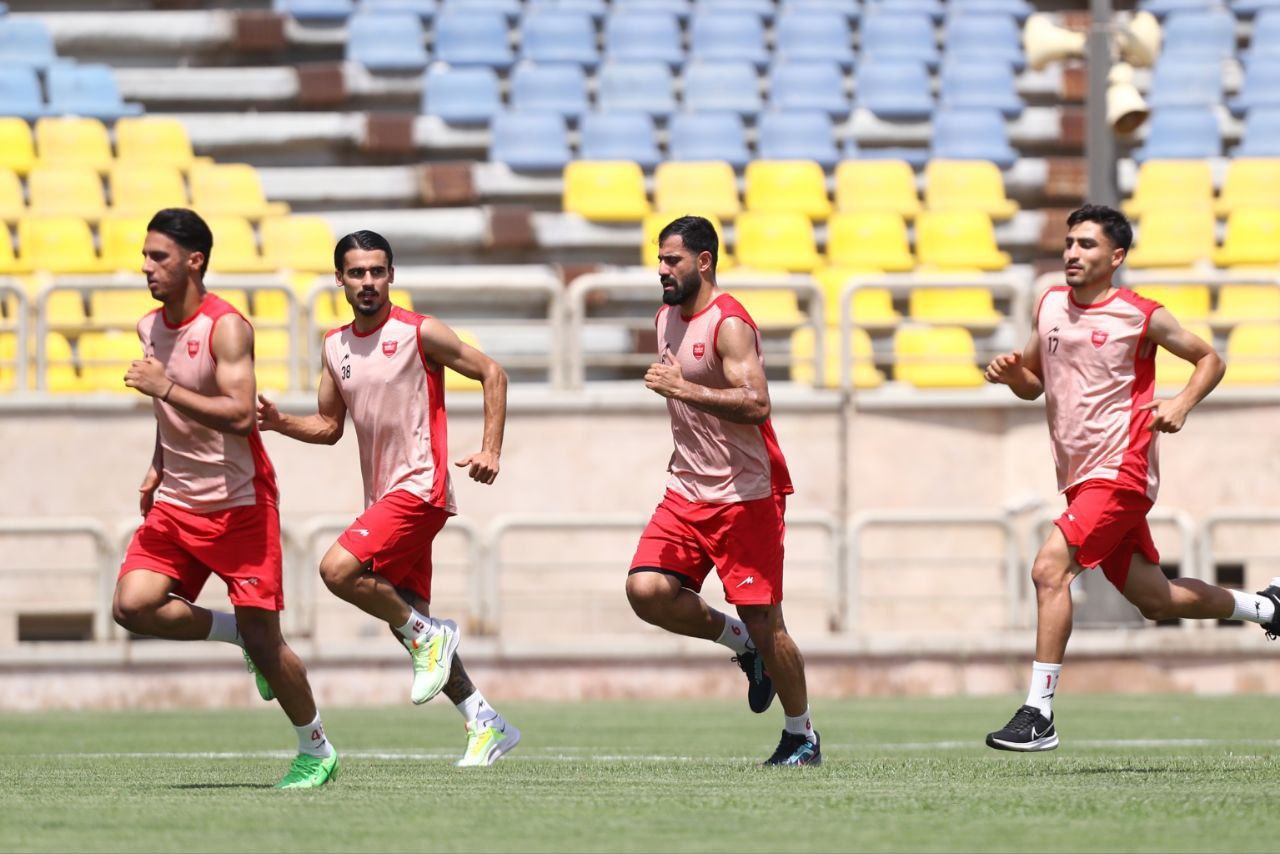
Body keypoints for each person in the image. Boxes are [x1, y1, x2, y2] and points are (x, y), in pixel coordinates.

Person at [983, 204, 1280, 751]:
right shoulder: (1048, 304)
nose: (1073, 253)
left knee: (1049, 569)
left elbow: (1209, 358)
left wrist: (1183, 403)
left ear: (1115, 257)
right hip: (1079, 477)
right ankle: (1267, 607)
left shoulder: (1141, 315)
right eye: (1070, 243)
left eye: (1088, 245)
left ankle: (1038, 713)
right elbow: (1034, 384)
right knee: (1157, 600)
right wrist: (1011, 376)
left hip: (1121, 469)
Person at [257, 230, 519, 766]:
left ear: (392, 276)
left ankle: (430, 636)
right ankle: (483, 720)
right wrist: (280, 422)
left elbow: (493, 372)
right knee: (411, 621)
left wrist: (490, 448)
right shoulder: (335, 346)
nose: (368, 282)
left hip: (420, 487)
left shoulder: (420, 332)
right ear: (340, 280)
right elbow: (330, 426)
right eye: (357, 273)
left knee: (337, 571)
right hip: (384, 495)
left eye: (378, 271)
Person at [113, 208, 338, 788]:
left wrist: (165, 385)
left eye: (158, 257)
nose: (147, 268)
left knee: (269, 643)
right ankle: (232, 631)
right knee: (132, 606)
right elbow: (173, 416)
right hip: (177, 505)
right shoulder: (148, 326)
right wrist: (158, 463)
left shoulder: (227, 327)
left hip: (240, 506)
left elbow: (241, 416)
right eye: (145, 256)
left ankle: (316, 748)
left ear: (195, 260)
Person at [624, 215, 820, 766]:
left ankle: (802, 734)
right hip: (687, 490)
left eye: (672, 260)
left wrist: (683, 388)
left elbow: (756, 403)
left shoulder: (729, 323)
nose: (662, 270)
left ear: (703, 261)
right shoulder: (666, 317)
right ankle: (743, 647)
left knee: (767, 619)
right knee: (647, 592)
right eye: (660, 259)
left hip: (745, 495)